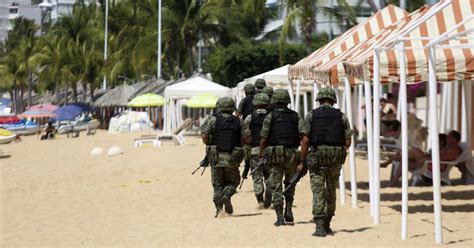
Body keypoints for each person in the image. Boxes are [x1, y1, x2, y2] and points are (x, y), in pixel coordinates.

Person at [299, 87, 352, 237]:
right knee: (331, 191)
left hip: (317, 159)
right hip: (334, 160)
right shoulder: (342, 117)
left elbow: (305, 140)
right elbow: (348, 141)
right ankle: (328, 222)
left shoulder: (311, 115)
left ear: (319, 100)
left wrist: (302, 160)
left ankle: (320, 226)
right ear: (333, 100)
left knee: (318, 192)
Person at [259, 89, 302, 226]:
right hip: (292, 154)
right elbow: (303, 135)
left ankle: (279, 217)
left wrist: (261, 153)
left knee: (276, 185)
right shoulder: (296, 116)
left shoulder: (270, 117)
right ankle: (288, 208)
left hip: (275, 155)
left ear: (275, 101)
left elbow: (264, 137)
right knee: (290, 183)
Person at [201, 97, 244, 217]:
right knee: (234, 182)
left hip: (216, 157)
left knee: (217, 184)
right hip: (232, 158)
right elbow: (246, 138)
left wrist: (209, 144)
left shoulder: (212, 120)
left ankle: (219, 210)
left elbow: (204, 135)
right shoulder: (239, 121)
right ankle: (227, 195)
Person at [382, 131, 462, 186]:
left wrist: (428, 156)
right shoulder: (450, 147)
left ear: (454, 139)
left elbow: (442, 158)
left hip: (434, 166)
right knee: (405, 159)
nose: (447, 138)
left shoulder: (454, 150)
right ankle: (395, 179)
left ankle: (392, 160)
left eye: (448, 137)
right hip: (430, 162)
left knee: (414, 151)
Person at [243, 93, 272, 209]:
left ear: (255, 104)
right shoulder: (272, 116)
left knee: (257, 176)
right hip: (270, 151)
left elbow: (246, 136)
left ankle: (260, 201)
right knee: (270, 175)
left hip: (255, 151)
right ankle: (269, 187)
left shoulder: (249, 118)